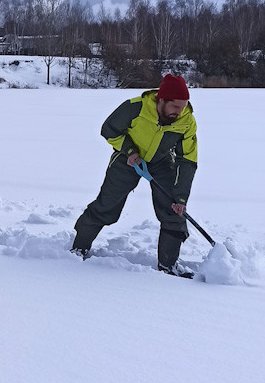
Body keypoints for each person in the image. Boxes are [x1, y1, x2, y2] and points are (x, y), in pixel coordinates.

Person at [71, 74, 198, 276]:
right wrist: (130, 151)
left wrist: (181, 197)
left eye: (183, 107)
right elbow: (109, 130)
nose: (179, 112)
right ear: (161, 100)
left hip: (162, 162)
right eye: (175, 107)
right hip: (127, 160)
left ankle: (168, 267)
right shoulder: (134, 108)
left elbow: (188, 160)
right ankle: (78, 248)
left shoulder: (187, 121)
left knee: (174, 212)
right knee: (107, 206)